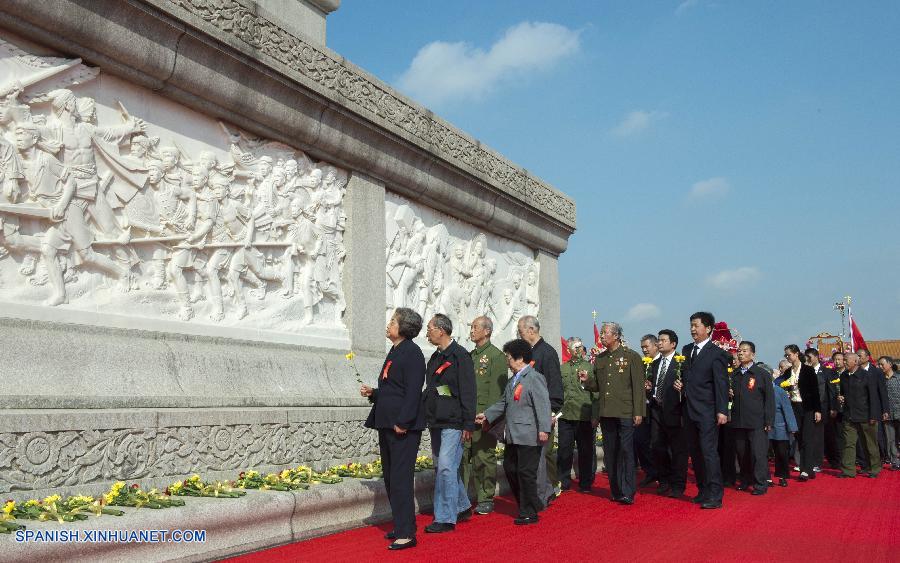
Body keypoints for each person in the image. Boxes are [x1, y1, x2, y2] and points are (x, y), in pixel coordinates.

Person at [361, 308, 426, 550]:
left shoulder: (413, 353)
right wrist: (374, 393)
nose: (388, 325)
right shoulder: (396, 350)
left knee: (400, 478)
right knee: (390, 477)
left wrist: (404, 421)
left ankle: (407, 533)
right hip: (387, 422)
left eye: (392, 322)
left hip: (402, 426)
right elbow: (395, 387)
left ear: (404, 327)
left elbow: (412, 392)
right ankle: (400, 525)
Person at [477, 339, 551, 525]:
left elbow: (543, 405)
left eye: (509, 358)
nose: (507, 362)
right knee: (511, 469)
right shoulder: (513, 381)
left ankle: (529, 512)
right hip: (512, 435)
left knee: (526, 473)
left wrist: (544, 429)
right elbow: (503, 403)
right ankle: (530, 503)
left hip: (529, 435)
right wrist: (486, 415)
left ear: (520, 358)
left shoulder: (534, 378)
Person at [422, 313, 477, 533]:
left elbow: (468, 392)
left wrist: (468, 424)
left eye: (430, 328)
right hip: (436, 420)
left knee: (446, 467)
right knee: (445, 467)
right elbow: (433, 390)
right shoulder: (435, 358)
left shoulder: (460, 356)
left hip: (454, 422)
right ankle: (462, 506)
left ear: (441, 330)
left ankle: (445, 517)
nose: (427, 333)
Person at [579, 322, 645, 505]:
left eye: (605, 332)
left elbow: (638, 387)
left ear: (616, 336)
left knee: (625, 451)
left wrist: (638, 411)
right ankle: (616, 490)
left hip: (626, 411)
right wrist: (587, 381)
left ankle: (628, 491)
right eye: (601, 333)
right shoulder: (600, 359)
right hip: (607, 411)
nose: (601, 336)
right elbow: (599, 386)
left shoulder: (631, 356)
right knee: (611, 451)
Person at [674, 312, 729, 509]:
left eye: (696, 325)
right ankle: (703, 489)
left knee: (708, 452)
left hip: (707, 410)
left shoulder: (717, 354)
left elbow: (721, 384)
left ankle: (715, 494)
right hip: (689, 409)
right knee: (695, 452)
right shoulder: (687, 350)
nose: (692, 329)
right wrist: (682, 385)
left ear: (709, 329)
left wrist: (722, 411)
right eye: (691, 325)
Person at [462, 316, 508, 515]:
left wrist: (489, 416)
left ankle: (485, 497)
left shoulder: (496, 357)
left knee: (483, 458)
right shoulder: (469, 356)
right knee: (463, 458)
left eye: (475, 327)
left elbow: (497, 393)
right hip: (466, 418)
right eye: (471, 327)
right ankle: (461, 499)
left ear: (487, 331)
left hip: (484, 419)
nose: (471, 331)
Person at [517, 316, 563, 507]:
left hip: (544, 413)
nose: (519, 334)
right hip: (529, 413)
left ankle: (548, 490)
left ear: (531, 330)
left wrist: (552, 412)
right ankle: (541, 491)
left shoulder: (547, 353)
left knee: (544, 455)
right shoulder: (529, 353)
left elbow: (554, 385)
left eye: (520, 331)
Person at [645, 329, 688, 497]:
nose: (659, 343)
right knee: (657, 446)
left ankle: (678, 484)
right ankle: (664, 480)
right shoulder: (654, 364)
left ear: (673, 344)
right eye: (659, 340)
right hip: (656, 410)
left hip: (676, 411)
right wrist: (649, 389)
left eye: (663, 340)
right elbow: (654, 386)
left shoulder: (682, 363)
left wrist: (683, 389)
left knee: (678, 450)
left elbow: (689, 385)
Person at [730, 341, 774, 495]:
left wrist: (769, 420)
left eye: (744, 351)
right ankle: (745, 480)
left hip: (757, 422)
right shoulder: (734, 375)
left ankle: (761, 483)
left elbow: (769, 399)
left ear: (753, 354)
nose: (741, 353)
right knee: (742, 454)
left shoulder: (762, 374)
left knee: (758, 454)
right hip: (738, 421)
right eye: (739, 351)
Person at [557, 337, 597, 493]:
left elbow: (596, 393)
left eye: (580, 347)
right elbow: (559, 392)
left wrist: (595, 415)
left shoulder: (591, 367)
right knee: (564, 450)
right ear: (568, 350)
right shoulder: (563, 369)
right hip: (566, 414)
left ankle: (586, 482)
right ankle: (563, 481)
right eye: (574, 347)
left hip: (584, 415)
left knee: (585, 450)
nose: (577, 350)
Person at [836, 352, 881, 479]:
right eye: (843, 360)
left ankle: (874, 468)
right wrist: (841, 398)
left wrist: (873, 415)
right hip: (849, 415)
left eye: (846, 360)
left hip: (866, 415)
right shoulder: (844, 375)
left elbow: (873, 397)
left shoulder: (867, 376)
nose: (844, 362)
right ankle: (848, 470)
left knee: (869, 444)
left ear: (855, 362)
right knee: (848, 443)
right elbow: (843, 393)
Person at [783, 344, 821, 481]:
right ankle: (805, 468)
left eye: (789, 354)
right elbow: (783, 389)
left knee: (807, 438)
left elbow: (815, 391)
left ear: (797, 353)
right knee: (798, 437)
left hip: (808, 407)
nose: (788, 357)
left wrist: (818, 410)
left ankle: (806, 469)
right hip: (794, 407)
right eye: (786, 355)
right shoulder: (787, 372)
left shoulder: (808, 370)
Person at [636, 334, 660, 488]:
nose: (644, 350)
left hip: (658, 409)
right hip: (643, 408)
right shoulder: (641, 363)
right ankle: (650, 471)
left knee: (657, 443)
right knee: (640, 441)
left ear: (656, 345)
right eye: (642, 347)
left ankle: (662, 473)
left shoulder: (663, 361)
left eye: (647, 347)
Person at [769, 372, 799, 487]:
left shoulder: (779, 391)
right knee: (764, 454)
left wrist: (792, 427)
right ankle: (766, 477)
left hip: (780, 427)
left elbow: (787, 409)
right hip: (764, 427)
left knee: (781, 453)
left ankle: (782, 476)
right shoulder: (759, 390)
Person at [805, 348, 832, 473]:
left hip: (821, 408)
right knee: (807, 435)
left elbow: (830, 392)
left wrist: (832, 408)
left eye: (809, 357)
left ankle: (817, 462)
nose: (808, 360)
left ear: (816, 357)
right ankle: (807, 461)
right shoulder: (804, 371)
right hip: (806, 408)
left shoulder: (826, 372)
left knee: (818, 436)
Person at [878, 356, 900, 470]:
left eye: (882, 364)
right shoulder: (880, 380)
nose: (880, 366)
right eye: (879, 365)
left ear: (890, 364)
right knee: (890, 439)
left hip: (899, 412)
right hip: (887, 414)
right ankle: (895, 462)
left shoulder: (898, 378)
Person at [825, 351, 846, 468]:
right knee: (837, 435)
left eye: (839, 359)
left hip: (849, 409)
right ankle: (838, 459)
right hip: (835, 410)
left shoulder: (848, 373)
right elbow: (829, 393)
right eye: (835, 359)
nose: (837, 362)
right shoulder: (830, 374)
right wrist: (833, 407)